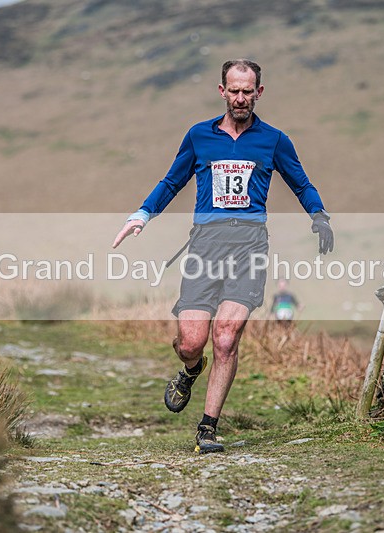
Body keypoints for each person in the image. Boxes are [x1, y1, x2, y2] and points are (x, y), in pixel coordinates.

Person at [112, 59, 333, 454]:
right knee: (192, 342)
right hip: (205, 247)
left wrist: (319, 216)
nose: (241, 98)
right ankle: (190, 370)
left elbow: (301, 182)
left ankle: (208, 428)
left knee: (226, 338)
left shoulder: (274, 140)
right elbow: (172, 180)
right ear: (222, 91)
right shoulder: (199, 136)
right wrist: (142, 215)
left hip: (250, 247)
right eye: (234, 90)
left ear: (259, 93)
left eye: (248, 91)